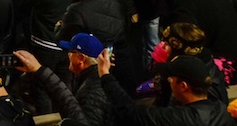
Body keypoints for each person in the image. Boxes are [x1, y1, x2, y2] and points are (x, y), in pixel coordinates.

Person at [98, 51, 231, 125]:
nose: (168, 80)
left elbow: (131, 111)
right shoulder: (220, 109)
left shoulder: (180, 118)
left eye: (171, 78)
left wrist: (105, 74)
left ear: (183, 86)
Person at [13, 33, 110, 126]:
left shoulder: (93, 89)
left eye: (71, 51)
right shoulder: (90, 77)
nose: (68, 55)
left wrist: (39, 70)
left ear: (81, 58)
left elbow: (81, 119)